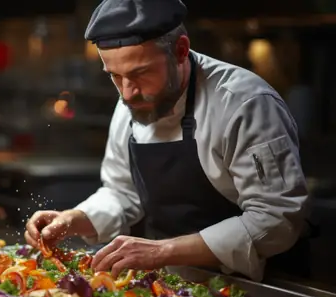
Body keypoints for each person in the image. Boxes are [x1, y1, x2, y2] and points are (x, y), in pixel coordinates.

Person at [24, 0, 310, 282]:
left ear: (181, 50)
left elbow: (276, 220)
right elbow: (123, 192)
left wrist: (162, 252)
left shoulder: (244, 103)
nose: (126, 94)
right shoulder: (131, 101)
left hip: (264, 285)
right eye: (115, 76)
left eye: (140, 73)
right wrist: (75, 219)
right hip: (180, 283)